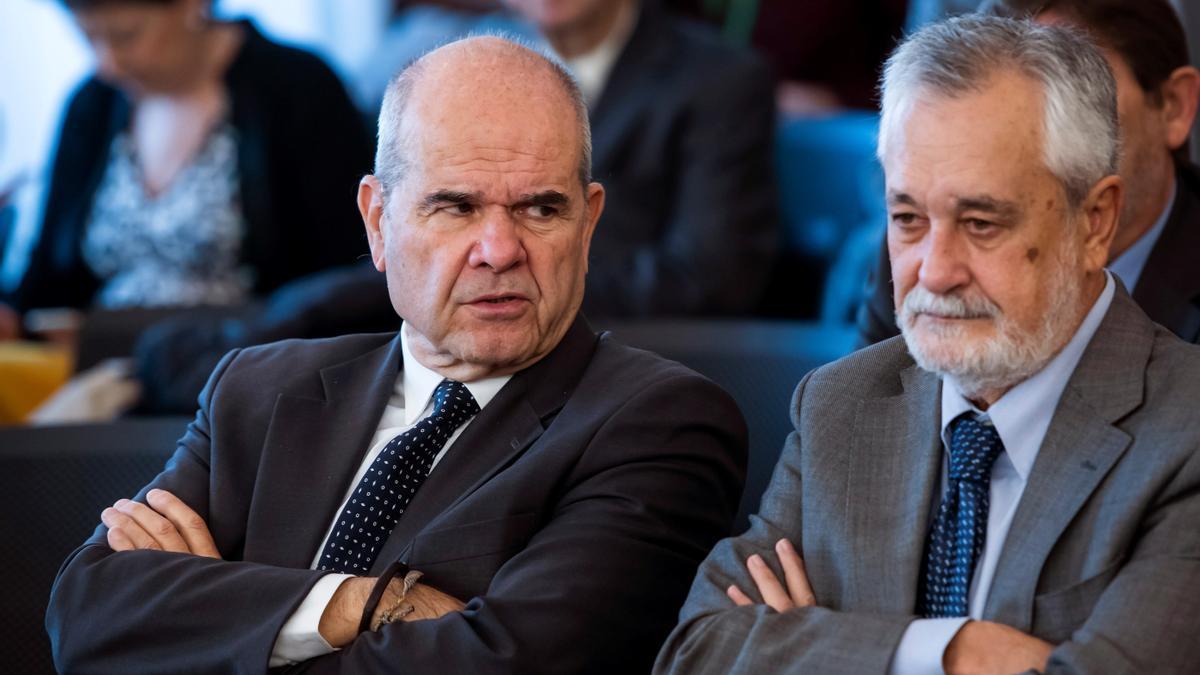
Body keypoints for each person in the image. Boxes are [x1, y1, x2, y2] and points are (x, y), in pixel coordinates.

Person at [46, 36, 747, 673]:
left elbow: (506, 665)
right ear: (379, 222)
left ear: (588, 224)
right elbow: (87, 613)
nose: (500, 250)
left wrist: (209, 623)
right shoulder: (255, 389)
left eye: (541, 209)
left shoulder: (661, 423)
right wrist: (361, 606)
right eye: (456, 207)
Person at [657, 15, 1200, 674]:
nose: (933, 270)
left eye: (981, 222)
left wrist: (817, 641)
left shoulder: (1185, 433)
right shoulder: (840, 405)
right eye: (908, 218)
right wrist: (951, 649)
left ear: (1095, 221)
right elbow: (697, 649)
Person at [0, 0, 371, 340]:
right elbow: (51, 271)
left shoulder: (298, 86)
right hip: (101, 364)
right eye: (89, 38)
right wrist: (14, 313)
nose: (108, 64)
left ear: (192, 6)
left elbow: (342, 272)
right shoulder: (92, 103)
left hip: (248, 362)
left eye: (125, 36)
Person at [856, 0, 1200, 347]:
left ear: (1173, 106)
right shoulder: (923, 247)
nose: (937, 272)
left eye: (1078, 104)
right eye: (1004, 115)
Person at [503, 0, 778, 317]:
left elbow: (711, 275)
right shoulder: (475, 72)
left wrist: (523, 294)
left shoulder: (720, 79)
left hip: (628, 344)